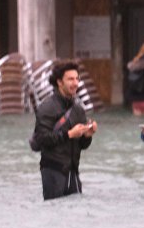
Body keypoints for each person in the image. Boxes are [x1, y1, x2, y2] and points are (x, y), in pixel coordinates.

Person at [29, 61, 97, 200]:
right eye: (70, 79)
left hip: (73, 172)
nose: (75, 83)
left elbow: (83, 145)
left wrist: (87, 136)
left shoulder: (78, 109)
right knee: (54, 214)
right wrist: (69, 134)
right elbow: (42, 139)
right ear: (59, 82)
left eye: (77, 79)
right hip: (52, 171)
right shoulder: (47, 107)